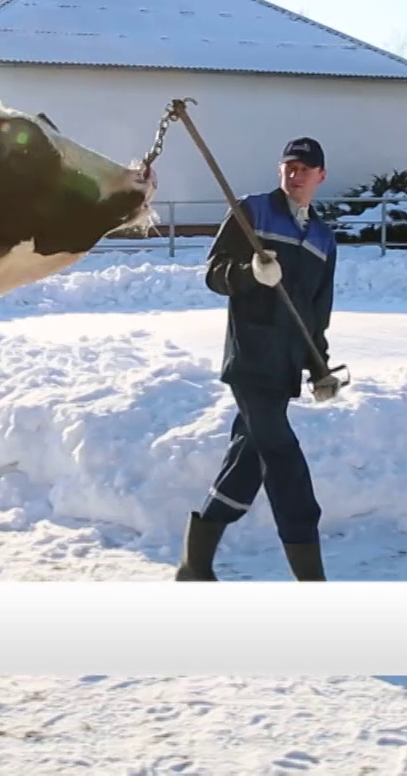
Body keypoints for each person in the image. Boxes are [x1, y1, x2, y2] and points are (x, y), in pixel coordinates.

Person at [176, 135, 341, 582]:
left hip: (285, 368)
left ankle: (195, 565)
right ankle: (312, 582)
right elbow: (214, 274)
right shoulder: (253, 211)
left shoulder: (323, 239)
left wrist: (319, 365)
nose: (295, 174)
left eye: (305, 168)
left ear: (320, 176)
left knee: (246, 464)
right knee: (285, 460)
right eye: (289, 166)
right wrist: (250, 273)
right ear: (279, 170)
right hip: (250, 361)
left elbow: (315, 313)